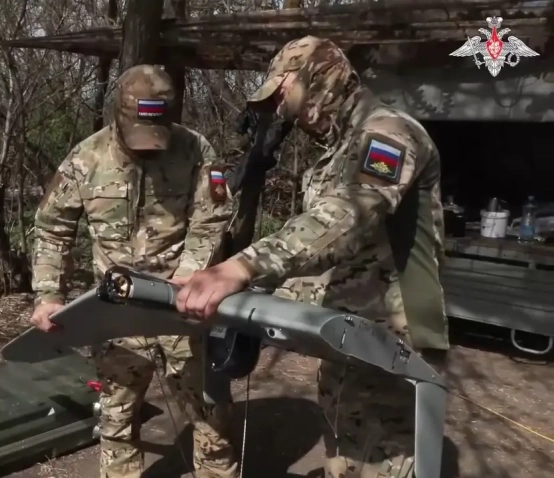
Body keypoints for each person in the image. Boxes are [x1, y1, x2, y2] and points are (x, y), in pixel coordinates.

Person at [172, 36, 450, 477]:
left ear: (318, 77)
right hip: (347, 335)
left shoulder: (389, 133)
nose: (281, 109)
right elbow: (331, 258)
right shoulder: (337, 151)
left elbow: (347, 217)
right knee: (345, 454)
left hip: (393, 342)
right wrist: (256, 302)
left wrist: (243, 267)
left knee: (382, 462)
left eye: (283, 93)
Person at [28, 64, 238, 478]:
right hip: (115, 312)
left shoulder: (196, 151)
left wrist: (191, 275)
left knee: (209, 417)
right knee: (117, 420)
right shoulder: (86, 158)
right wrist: (49, 294)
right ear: (118, 115)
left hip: (181, 307)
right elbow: (52, 227)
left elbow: (212, 218)